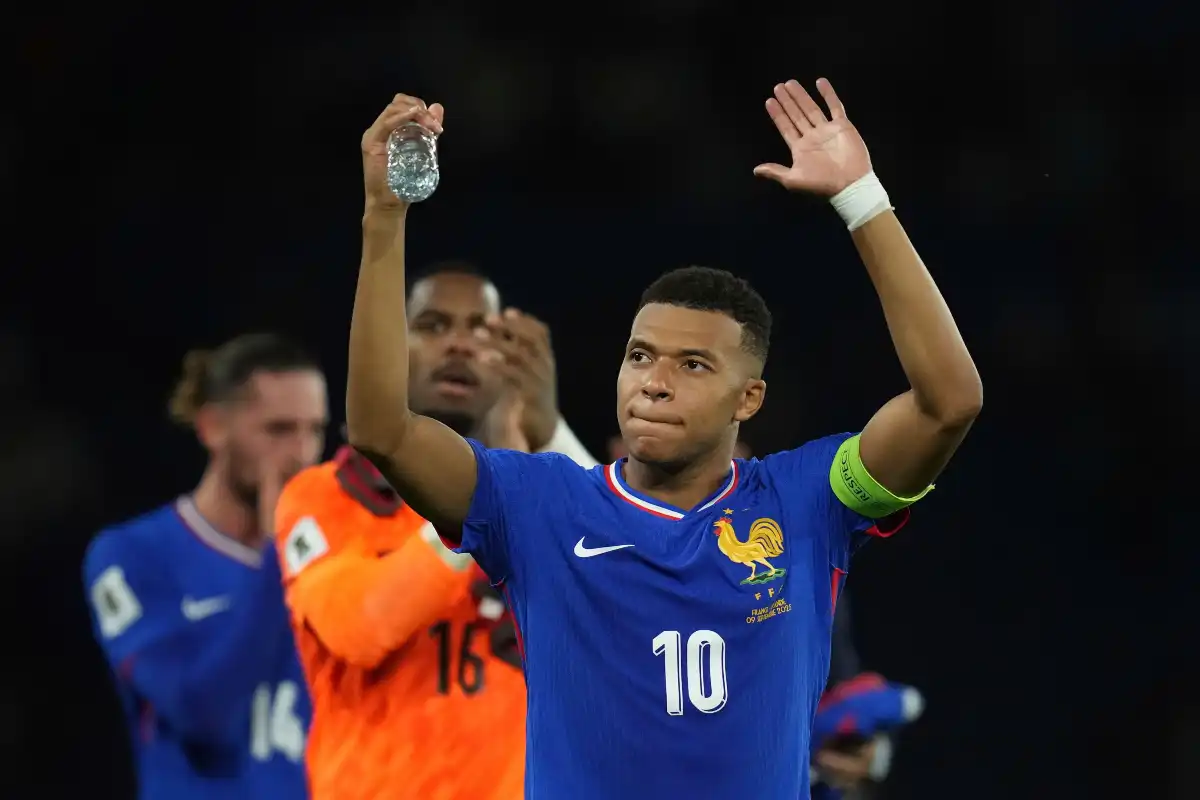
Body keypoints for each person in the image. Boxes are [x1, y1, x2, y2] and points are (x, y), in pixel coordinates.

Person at [345, 79, 981, 799]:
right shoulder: (536, 505)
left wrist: (863, 201)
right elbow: (381, 429)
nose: (653, 382)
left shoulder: (808, 502)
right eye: (640, 356)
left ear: (749, 398)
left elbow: (949, 404)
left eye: (693, 365)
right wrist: (384, 215)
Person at [275, 261, 597, 800]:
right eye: (433, 325)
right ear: (391, 346)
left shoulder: (534, 490)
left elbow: (631, 565)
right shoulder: (324, 494)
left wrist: (550, 429)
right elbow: (359, 627)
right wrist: (487, 504)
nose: (460, 345)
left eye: (482, 329)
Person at [83, 334, 326, 800]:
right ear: (213, 427)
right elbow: (202, 714)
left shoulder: (334, 555)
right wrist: (278, 556)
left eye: (314, 430)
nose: (302, 454)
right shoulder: (133, 556)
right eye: (278, 431)